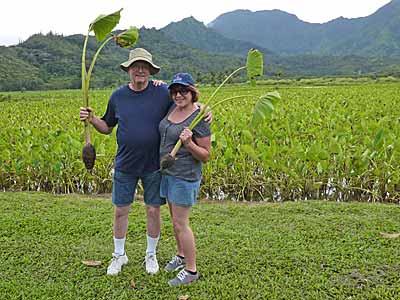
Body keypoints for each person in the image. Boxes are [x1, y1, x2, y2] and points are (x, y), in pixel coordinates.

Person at [79, 48, 211, 276]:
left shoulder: (162, 93)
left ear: (150, 70)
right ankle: (119, 254)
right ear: (128, 70)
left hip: (155, 164)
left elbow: (186, 105)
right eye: (135, 66)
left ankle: (151, 254)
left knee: (153, 210)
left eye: (144, 66)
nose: (140, 70)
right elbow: (107, 127)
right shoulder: (118, 96)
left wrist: (205, 109)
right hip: (125, 163)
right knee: (121, 210)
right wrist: (92, 119)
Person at [159, 73, 211, 286]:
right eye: (175, 91)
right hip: (168, 173)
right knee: (174, 220)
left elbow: (206, 155)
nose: (178, 95)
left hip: (185, 176)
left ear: (192, 92)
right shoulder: (173, 109)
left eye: (183, 91)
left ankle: (191, 270)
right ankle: (180, 255)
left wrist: (189, 144)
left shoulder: (199, 118)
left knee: (182, 223)